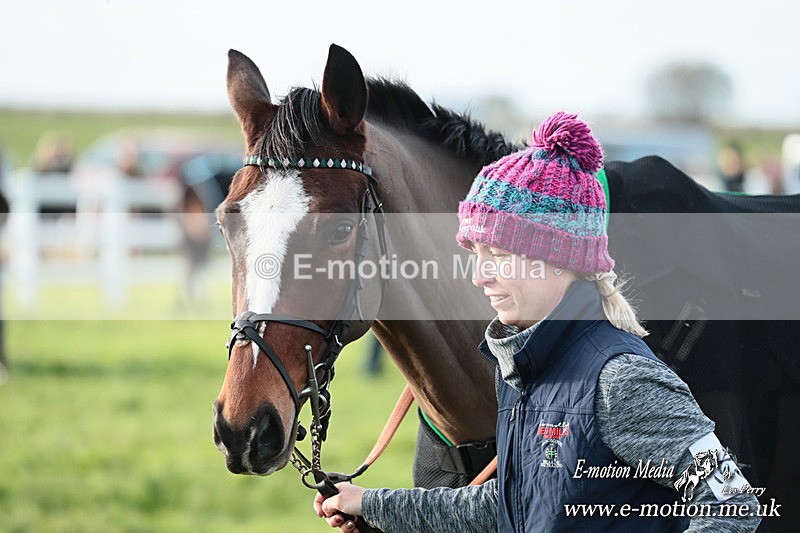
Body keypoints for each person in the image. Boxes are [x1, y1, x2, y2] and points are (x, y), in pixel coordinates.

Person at [314, 112, 761, 532]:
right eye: (478, 255)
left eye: (499, 257)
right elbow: (509, 504)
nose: (480, 276)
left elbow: (732, 502)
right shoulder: (521, 374)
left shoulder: (621, 380)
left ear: (558, 259)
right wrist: (370, 505)